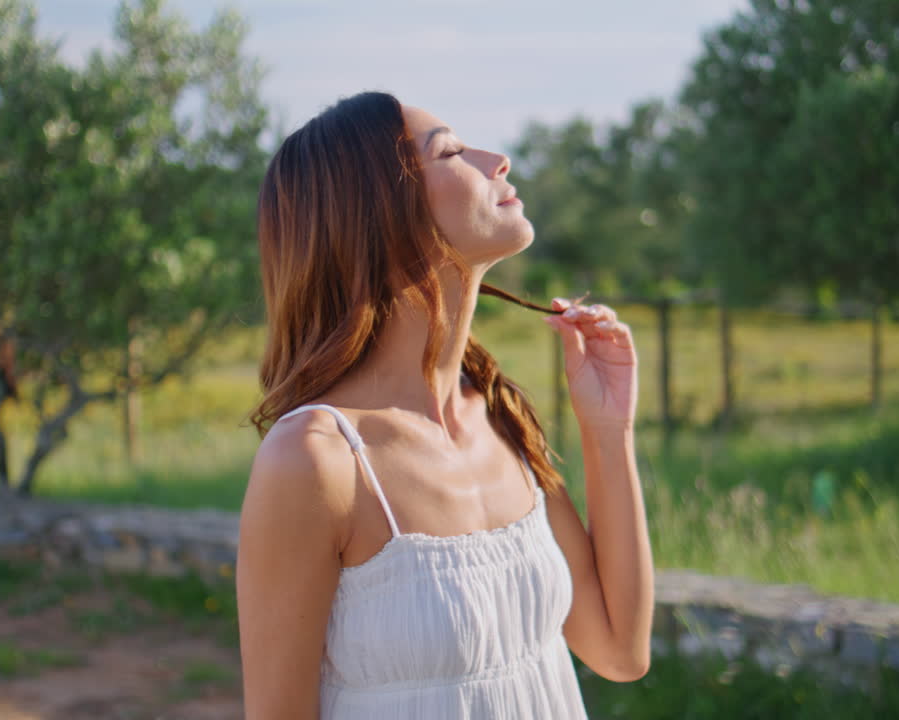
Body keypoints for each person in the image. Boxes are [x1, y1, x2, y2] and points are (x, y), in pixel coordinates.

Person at [236, 91, 654, 719]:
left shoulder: (497, 420)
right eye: (453, 151)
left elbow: (620, 650)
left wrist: (608, 427)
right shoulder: (316, 461)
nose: (499, 160)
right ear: (379, 213)